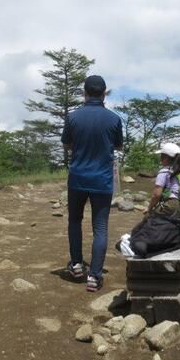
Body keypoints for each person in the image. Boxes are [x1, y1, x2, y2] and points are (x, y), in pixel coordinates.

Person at [61, 75, 123, 292]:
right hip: (102, 180)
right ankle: (94, 276)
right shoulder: (114, 119)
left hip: (77, 178)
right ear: (104, 93)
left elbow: (67, 144)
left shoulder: (73, 118)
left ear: (84, 93)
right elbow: (117, 146)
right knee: (100, 228)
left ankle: (77, 265)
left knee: (74, 221)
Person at [144, 143, 180, 220]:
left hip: (172, 206)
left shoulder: (164, 171)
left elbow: (156, 195)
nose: (160, 158)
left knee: (148, 218)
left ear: (165, 158)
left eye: (161, 156)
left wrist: (149, 209)